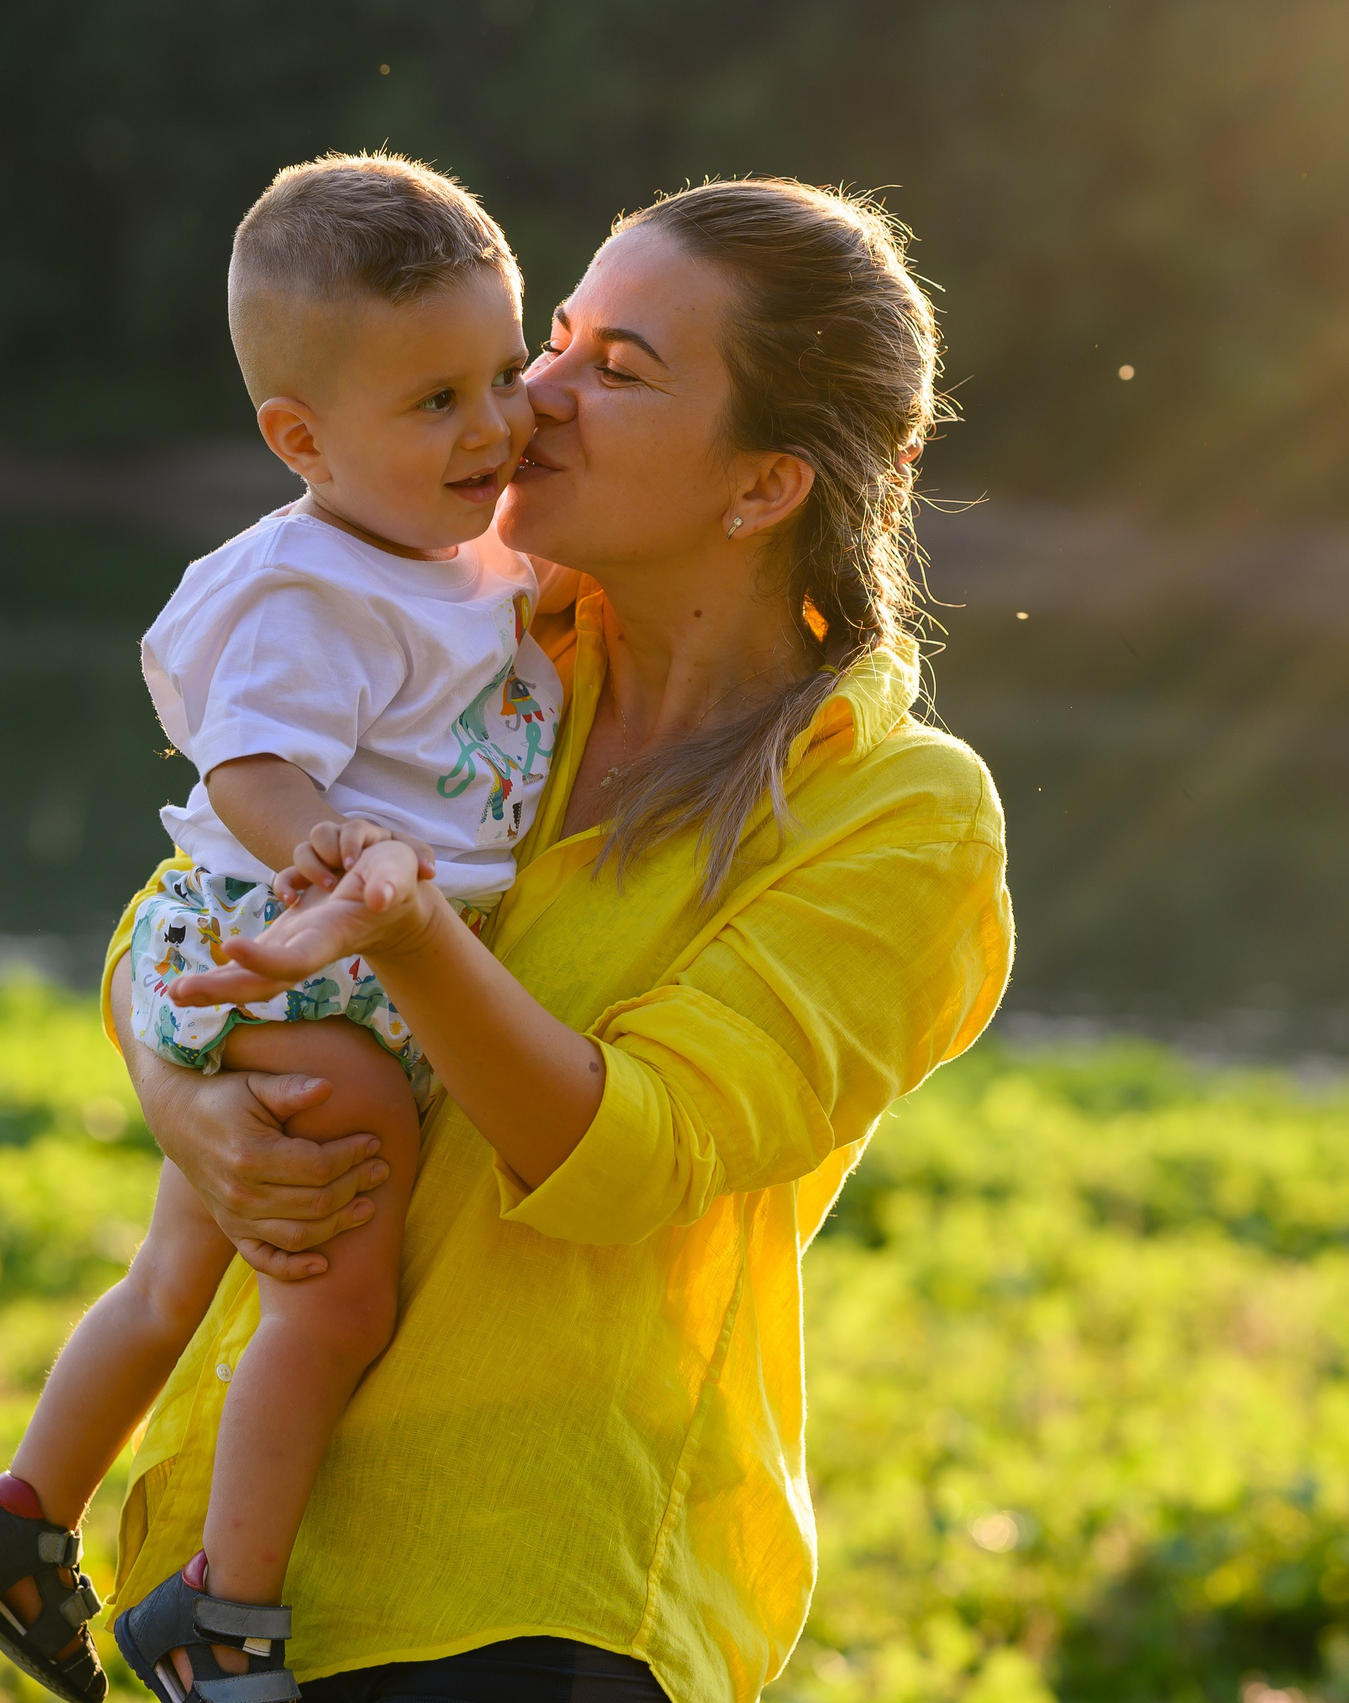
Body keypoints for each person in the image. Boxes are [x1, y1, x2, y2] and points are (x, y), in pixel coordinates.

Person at [96, 178, 1015, 1703]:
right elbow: (190, 898)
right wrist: (181, 1094)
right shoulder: (496, 651)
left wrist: (397, 928)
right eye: (561, 338)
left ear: (764, 485)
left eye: (619, 369)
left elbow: (628, 1159)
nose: (537, 395)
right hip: (252, 1571)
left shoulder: (901, 817)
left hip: (540, 1601)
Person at [0, 152, 557, 1703]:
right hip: (298, 962)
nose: (490, 429)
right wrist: (329, 853)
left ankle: (21, 1516)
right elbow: (251, 764)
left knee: (171, 1282)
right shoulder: (308, 589)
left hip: (332, 955)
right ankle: (223, 1605)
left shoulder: (464, 548)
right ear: (298, 437)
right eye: (433, 405)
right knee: (334, 1300)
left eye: (502, 375)